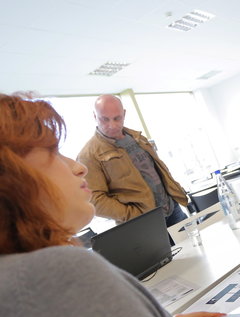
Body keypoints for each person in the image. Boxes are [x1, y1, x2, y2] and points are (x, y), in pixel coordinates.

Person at [0, 94, 240, 317]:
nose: (77, 168)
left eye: (117, 118)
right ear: (11, 178)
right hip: (144, 217)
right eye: (54, 152)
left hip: (168, 210)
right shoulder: (59, 272)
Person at [77, 94, 188, 226]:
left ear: (124, 114)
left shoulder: (138, 137)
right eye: (104, 119)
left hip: (173, 209)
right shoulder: (88, 155)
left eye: (117, 118)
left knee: (193, 246)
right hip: (143, 222)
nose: (111, 125)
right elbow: (94, 199)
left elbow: (157, 170)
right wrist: (133, 215)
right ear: (95, 117)